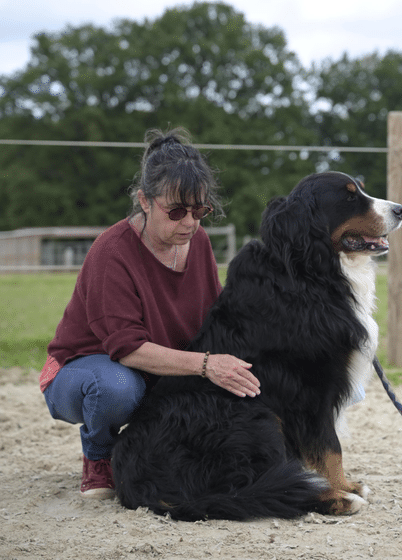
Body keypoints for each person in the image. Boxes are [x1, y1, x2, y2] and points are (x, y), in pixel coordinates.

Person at [39, 128, 261, 499]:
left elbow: (212, 318)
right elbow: (127, 349)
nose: (189, 222)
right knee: (118, 388)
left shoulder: (198, 242)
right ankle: (98, 456)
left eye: (199, 210)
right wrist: (207, 365)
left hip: (155, 367)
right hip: (84, 371)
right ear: (144, 200)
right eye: (175, 211)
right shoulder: (111, 252)